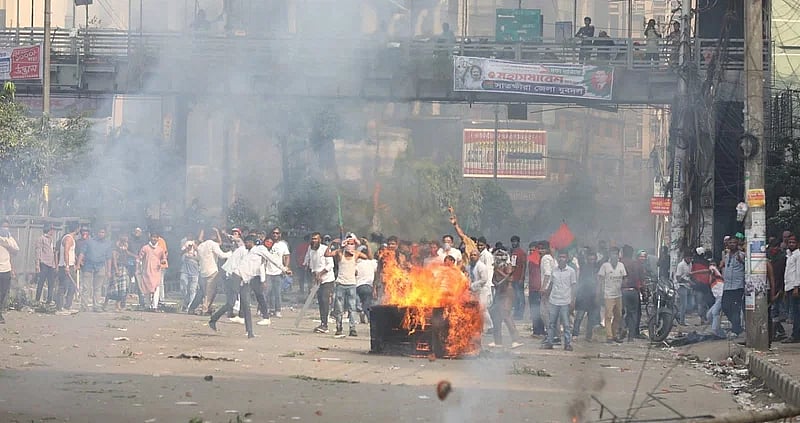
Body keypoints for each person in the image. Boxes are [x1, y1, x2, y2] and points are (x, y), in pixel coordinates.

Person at [326, 233, 370, 337]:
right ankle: (339, 327)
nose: (350, 246)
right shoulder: (339, 253)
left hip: (352, 285)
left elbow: (369, 257)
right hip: (341, 284)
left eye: (352, 244)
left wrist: (367, 245)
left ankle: (352, 329)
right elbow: (327, 254)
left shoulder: (356, 254)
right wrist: (331, 243)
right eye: (348, 244)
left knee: (352, 308)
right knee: (339, 308)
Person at [488, 248, 523, 349]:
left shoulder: (507, 266)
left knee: (506, 314)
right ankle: (498, 341)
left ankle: (516, 340)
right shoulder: (495, 266)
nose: (499, 257)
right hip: (499, 292)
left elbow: (509, 278)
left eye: (501, 255)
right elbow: (494, 280)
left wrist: (498, 271)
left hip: (507, 292)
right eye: (497, 255)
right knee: (495, 315)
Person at [542, 251, 577, 351]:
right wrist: (546, 295)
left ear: (567, 259)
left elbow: (573, 286)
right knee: (551, 324)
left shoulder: (571, 271)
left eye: (564, 257)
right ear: (558, 259)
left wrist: (573, 300)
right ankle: (549, 342)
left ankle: (568, 344)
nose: (562, 259)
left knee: (566, 324)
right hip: (554, 300)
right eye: (560, 257)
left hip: (565, 301)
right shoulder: (554, 270)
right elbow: (551, 284)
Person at [195, 227, 232, 315]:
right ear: (213, 236)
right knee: (209, 293)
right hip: (212, 271)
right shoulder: (212, 244)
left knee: (207, 292)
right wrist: (231, 253)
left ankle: (206, 308)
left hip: (203, 271)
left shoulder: (200, 246)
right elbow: (222, 255)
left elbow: (197, 258)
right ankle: (204, 309)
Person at [304, 232, 335, 334]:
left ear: (320, 240)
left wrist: (321, 274)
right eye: (312, 239)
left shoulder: (325, 249)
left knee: (324, 300)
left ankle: (325, 325)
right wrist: (314, 275)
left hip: (327, 279)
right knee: (320, 302)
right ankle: (323, 323)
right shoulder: (310, 249)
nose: (314, 241)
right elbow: (311, 264)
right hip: (317, 280)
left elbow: (330, 265)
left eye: (316, 239)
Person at [78, 227, 113, 312]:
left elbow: (109, 258)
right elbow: (82, 253)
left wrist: (108, 270)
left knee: (98, 288)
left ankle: (96, 306)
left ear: (105, 234)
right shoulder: (89, 242)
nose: (101, 234)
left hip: (100, 267)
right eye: (100, 232)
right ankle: (84, 306)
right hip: (88, 266)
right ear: (96, 233)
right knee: (86, 288)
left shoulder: (108, 244)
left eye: (103, 232)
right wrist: (78, 264)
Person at [598, 246, 626, 343]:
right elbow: (600, 280)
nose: (614, 256)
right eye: (612, 253)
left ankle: (614, 334)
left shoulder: (621, 266)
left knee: (618, 315)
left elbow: (624, 278)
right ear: (610, 255)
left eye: (616, 253)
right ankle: (609, 336)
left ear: (618, 255)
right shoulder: (605, 266)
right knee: (608, 316)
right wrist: (600, 292)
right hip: (608, 294)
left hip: (618, 294)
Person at [573, 249, 600, 341]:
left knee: (591, 318)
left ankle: (588, 336)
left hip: (593, 296)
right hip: (583, 296)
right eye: (590, 259)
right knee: (579, 316)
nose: (591, 261)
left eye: (593, 259)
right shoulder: (584, 268)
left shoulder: (597, 269)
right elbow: (580, 282)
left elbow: (598, 283)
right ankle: (575, 334)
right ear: (587, 260)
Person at [264, 227, 291, 317]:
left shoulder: (283, 245)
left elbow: (287, 256)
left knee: (277, 292)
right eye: (274, 233)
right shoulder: (267, 243)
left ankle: (277, 310)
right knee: (267, 292)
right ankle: (267, 309)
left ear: (279, 234)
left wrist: (286, 268)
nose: (275, 235)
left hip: (278, 272)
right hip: (267, 271)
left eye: (277, 233)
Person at [721, 236, 746, 337]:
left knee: (735, 308)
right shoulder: (726, 255)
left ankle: (736, 329)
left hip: (737, 286)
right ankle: (737, 326)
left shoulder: (741, 255)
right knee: (725, 306)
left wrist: (742, 261)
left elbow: (746, 266)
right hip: (727, 286)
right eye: (730, 243)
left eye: (734, 243)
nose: (732, 244)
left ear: (737, 244)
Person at [138, 231, 168, 311]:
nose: (154, 239)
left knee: (156, 288)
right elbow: (139, 258)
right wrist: (139, 268)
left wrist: (162, 263)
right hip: (146, 272)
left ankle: (155, 306)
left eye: (156, 237)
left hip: (156, 272)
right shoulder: (145, 248)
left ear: (158, 239)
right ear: (150, 237)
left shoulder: (160, 249)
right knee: (147, 289)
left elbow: (164, 258)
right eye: (153, 237)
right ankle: (148, 306)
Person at [55, 222, 80, 313]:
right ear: (77, 229)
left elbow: (71, 253)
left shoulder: (70, 238)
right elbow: (66, 252)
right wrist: (67, 265)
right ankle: (60, 307)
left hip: (71, 265)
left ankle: (67, 306)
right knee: (63, 287)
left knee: (72, 287)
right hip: (66, 266)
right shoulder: (68, 239)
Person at [0, 220, 19, 323]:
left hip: (6, 269)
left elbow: (16, 252)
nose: (5, 229)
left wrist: (7, 246)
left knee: (3, 293)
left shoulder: (9, 239)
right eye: (3, 227)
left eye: (7, 227)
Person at [34, 223, 57, 304]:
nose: (53, 231)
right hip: (44, 263)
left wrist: (55, 264)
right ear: (49, 230)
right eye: (52, 229)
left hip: (51, 264)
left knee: (51, 283)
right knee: (41, 282)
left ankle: (49, 300)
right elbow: (38, 252)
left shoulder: (52, 240)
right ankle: (37, 300)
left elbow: (53, 252)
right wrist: (37, 264)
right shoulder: (41, 239)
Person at [105, 237, 130, 311]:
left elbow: (128, 253)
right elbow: (114, 259)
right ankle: (105, 304)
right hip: (117, 268)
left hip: (123, 268)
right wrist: (116, 270)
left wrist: (136, 256)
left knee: (122, 289)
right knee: (113, 288)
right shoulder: (115, 249)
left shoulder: (125, 248)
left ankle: (117, 305)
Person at [783, 235, 800, 343]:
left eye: (793, 242)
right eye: (789, 242)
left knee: (796, 312)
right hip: (789, 287)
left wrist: (796, 287)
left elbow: (798, 272)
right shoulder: (789, 255)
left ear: (797, 243)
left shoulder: (798, 255)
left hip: (795, 287)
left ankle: (795, 335)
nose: (791, 244)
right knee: (794, 312)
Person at [355, 244, 377, 323]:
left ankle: (362, 313)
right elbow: (377, 270)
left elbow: (354, 273)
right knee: (367, 303)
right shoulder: (372, 262)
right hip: (368, 286)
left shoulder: (356, 263)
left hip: (358, 286)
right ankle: (369, 318)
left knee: (362, 303)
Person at [527, 242, 545, 336]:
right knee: (533, 310)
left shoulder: (540, 260)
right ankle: (536, 330)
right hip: (532, 289)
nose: (531, 251)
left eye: (534, 250)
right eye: (530, 250)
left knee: (538, 311)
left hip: (538, 289)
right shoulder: (531, 261)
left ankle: (540, 330)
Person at [509, 235, 527, 320]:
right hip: (513, 278)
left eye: (515, 241)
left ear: (518, 242)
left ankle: (520, 314)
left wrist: (521, 278)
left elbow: (524, 266)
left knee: (520, 297)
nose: (513, 243)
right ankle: (516, 313)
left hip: (519, 278)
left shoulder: (522, 253)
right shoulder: (512, 252)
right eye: (512, 242)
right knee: (515, 297)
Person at [180, 239, 200, 312]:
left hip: (195, 273)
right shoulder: (185, 253)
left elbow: (199, 259)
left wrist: (195, 249)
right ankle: (185, 302)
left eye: (191, 245)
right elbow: (182, 259)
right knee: (183, 288)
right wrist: (186, 250)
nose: (190, 247)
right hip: (184, 272)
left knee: (192, 290)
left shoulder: (197, 252)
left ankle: (190, 306)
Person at [674, 249, 693, 326]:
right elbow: (678, 278)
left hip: (688, 286)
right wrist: (688, 282)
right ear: (685, 257)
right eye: (689, 258)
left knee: (688, 304)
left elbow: (689, 274)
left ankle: (677, 316)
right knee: (683, 304)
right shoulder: (681, 265)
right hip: (681, 286)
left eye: (691, 258)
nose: (690, 260)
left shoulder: (690, 264)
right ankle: (682, 321)